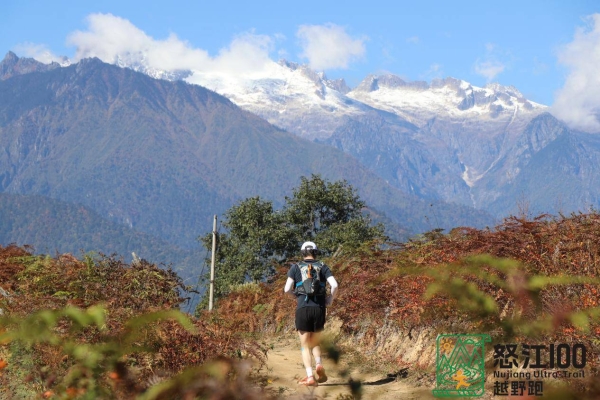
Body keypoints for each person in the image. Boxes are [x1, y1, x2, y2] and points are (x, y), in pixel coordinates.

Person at [283, 241, 339, 387]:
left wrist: (295, 297)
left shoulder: (295, 268)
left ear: (302, 253)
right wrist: (330, 299)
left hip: (302, 308)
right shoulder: (323, 266)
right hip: (319, 308)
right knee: (315, 340)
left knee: (304, 345)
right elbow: (335, 285)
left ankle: (310, 377)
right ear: (316, 252)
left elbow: (286, 289)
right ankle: (319, 364)